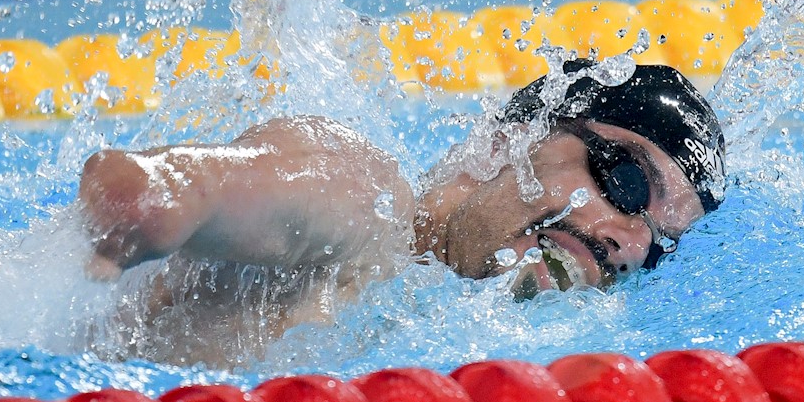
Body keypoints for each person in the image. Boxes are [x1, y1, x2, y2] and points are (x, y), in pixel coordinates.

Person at [78, 60, 726, 366]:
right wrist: (171, 195)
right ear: (509, 140)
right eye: (628, 181)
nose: (631, 243)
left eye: (660, 241)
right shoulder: (370, 208)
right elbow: (259, 188)